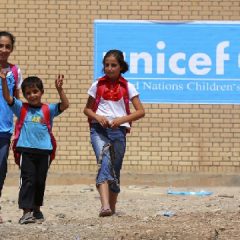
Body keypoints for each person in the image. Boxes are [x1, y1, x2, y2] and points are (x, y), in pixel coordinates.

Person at [0, 74, 69, 224]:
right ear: (24, 95)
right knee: (28, 181)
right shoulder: (21, 108)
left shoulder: (48, 109)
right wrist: (4, 80)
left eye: (35, 92)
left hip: (44, 151)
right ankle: (26, 211)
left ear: (42, 92)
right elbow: (7, 97)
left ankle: (37, 209)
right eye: (28, 93)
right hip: (26, 150)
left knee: (39, 181)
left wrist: (60, 90)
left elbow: (65, 105)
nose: (32, 96)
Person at [84, 49, 145, 217]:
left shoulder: (128, 86)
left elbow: (140, 111)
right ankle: (104, 206)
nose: (109, 68)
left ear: (120, 67)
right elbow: (87, 109)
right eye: (106, 65)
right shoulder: (97, 85)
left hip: (118, 131)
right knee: (104, 161)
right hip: (99, 130)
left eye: (113, 65)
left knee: (115, 169)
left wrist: (121, 120)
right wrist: (97, 116)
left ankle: (112, 206)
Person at [0, 31, 23, 224]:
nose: (4, 50)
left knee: (0, 168)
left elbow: (16, 100)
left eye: (8, 46)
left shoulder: (15, 71)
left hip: (4, 129)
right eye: (1, 46)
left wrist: (22, 124)